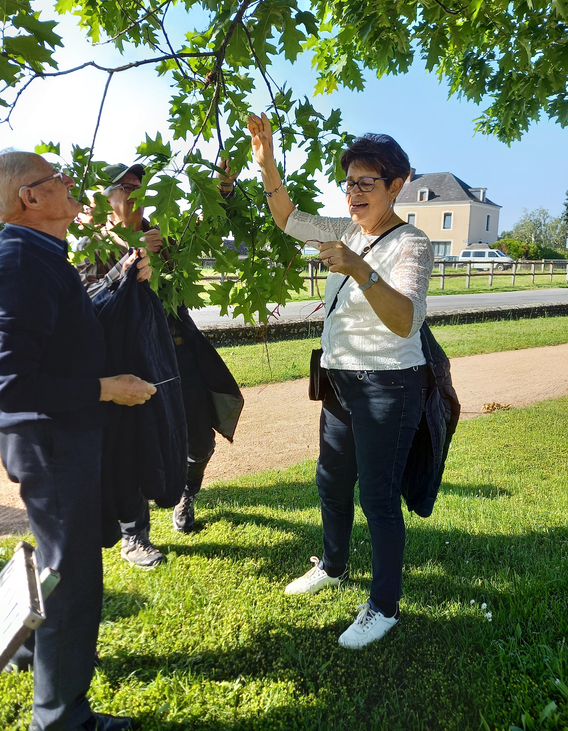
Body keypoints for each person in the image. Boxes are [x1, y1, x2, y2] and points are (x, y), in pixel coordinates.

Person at [0, 151, 157, 730]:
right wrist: (105, 387)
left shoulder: (40, 253)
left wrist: (119, 281)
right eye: (59, 179)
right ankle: (60, 718)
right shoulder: (19, 264)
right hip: (51, 445)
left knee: (59, 565)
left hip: (61, 440)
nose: (72, 184)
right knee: (73, 579)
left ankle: (31, 654)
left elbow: (60, 337)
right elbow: (9, 382)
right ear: (30, 197)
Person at [248, 113, 434, 649]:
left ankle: (384, 606)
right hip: (340, 381)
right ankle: (332, 566)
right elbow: (288, 218)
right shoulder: (343, 228)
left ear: (396, 186)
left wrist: (359, 268)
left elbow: (405, 319)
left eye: (365, 183)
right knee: (330, 481)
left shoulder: (412, 245)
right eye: (349, 181)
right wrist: (267, 165)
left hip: (389, 385)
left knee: (377, 496)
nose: (353, 193)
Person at [76, 162, 243, 550]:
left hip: (178, 355)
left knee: (199, 443)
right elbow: (89, 305)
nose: (135, 192)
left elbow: (205, 226)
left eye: (140, 185)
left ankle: (187, 492)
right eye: (126, 186)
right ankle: (136, 535)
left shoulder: (164, 231)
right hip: (129, 366)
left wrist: (223, 187)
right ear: (107, 197)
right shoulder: (90, 244)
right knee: (134, 445)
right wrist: (128, 260)